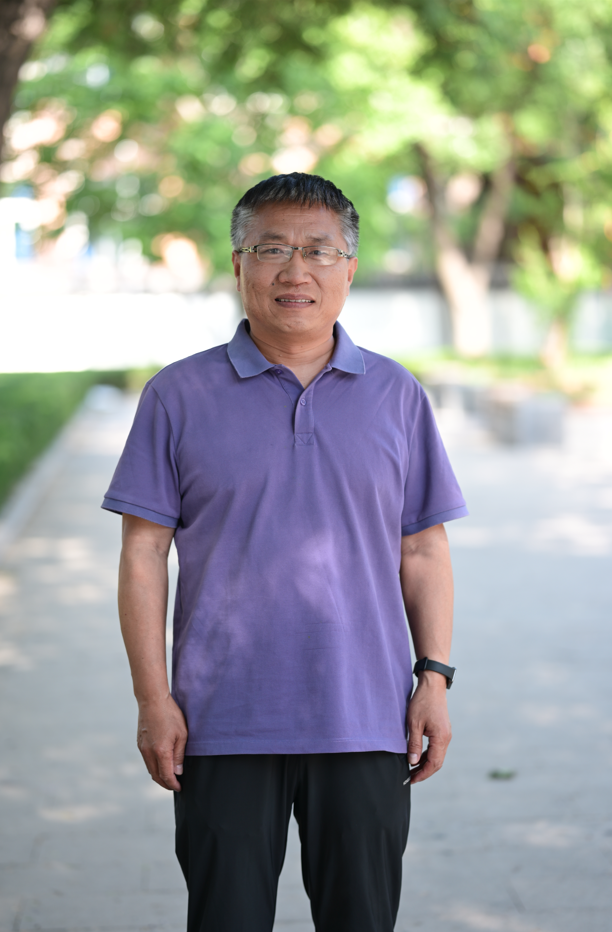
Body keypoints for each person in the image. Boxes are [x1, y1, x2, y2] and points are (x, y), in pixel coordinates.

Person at [103, 172, 468, 932]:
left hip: (366, 717)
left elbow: (423, 550)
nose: (295, 270)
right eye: (271, 249)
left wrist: (432, 679)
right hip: (219, 720)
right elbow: (142, 556)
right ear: (238, 265)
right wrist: (152, 700)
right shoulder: (178, 396)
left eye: (318, 251)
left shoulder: (397, 394)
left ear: (349, 269)